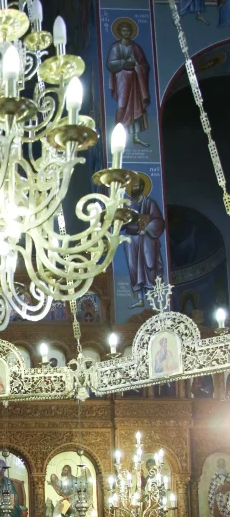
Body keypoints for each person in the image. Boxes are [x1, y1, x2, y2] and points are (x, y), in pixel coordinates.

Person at [121, 174, 165, 309]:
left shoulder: (150, 203)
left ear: (141, 187)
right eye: (131, 186)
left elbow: (158, 221)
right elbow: (119, 222)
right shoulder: (126, 204)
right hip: (131, 240)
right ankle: (140, 299)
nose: (133, 188)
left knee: (150, 266)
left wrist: (146, 229)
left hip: (147, 240)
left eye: (136, 186)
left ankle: (154, 302)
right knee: (134, 269)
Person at [106, 19, 150, 147]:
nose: (126, 33)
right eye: (123, 30)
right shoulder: (116, 47)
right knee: (122, 105)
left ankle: (136, 136)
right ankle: (117, 134)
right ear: (119, 32)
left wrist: (137, 65)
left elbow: (144, 65)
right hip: (122, 77)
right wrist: (124, 62)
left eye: (128, 31)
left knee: (136, 106)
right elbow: (111, 64)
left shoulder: (136, 47)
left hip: (136, 78)